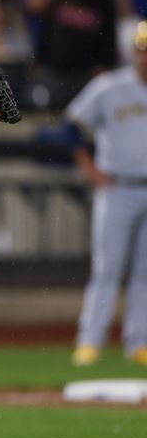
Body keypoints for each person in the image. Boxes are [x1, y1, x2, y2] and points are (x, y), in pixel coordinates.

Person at [68, 21, 147, 367]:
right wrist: (90, 169)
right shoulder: (109, 87)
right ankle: (90, 342)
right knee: (108, 267)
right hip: (117, 187)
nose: (145, 56)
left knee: (145, 272)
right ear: (133, 52)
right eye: (142, 49)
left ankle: (139, 342)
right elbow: (72, 127)